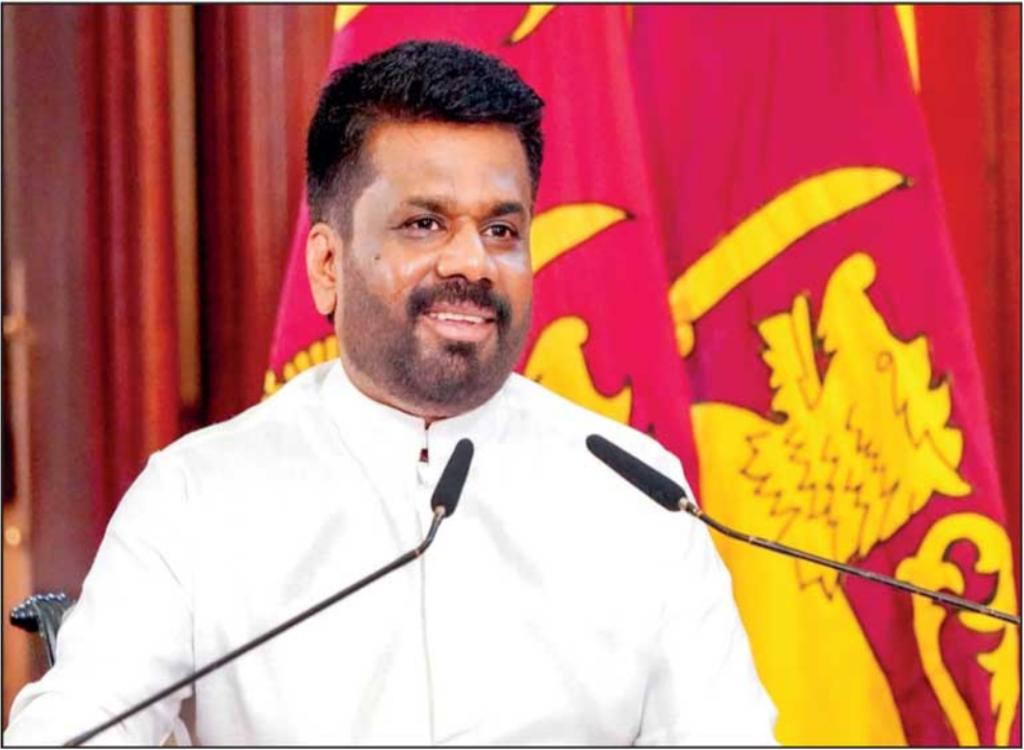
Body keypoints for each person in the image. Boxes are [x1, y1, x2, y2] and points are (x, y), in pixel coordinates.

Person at [4, 41, 776, 745]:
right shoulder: (200, 495)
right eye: (424, 224)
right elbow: (74, 728)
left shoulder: (638, 495)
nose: (471, 262)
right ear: (327, 266)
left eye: (502, 231)